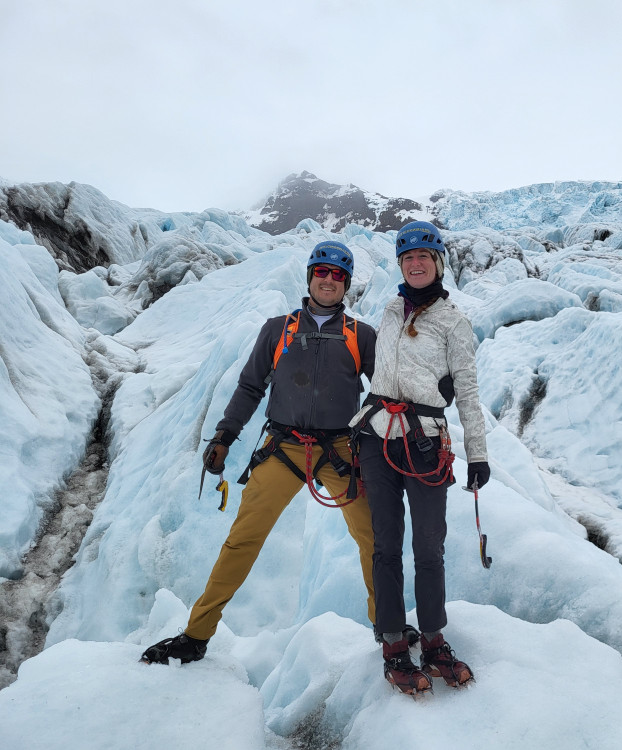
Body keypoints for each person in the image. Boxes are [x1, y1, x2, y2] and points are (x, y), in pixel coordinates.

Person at [141, 240, 378, 665]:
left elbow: (383, 395)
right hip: (284, 448)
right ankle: (196, 635)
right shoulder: (277, 329)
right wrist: (224, 436)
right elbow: (251, 386)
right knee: (242, 540)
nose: (328, 280)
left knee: (374, 539)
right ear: (310, 277)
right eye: (321, 272)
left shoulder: (362, 335)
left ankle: (388, 629)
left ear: (346, 285)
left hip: (340, 449)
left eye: (338, 275)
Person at [350, 220, 490, 695]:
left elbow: (467, 390)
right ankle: (393, 642)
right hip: (377, 438)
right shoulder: (391, 309)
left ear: (438, 263)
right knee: (385, 545)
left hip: (425, 441)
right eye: (407, 257)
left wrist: (477, 454)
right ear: (400, 263)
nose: (415, 264)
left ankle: (433, 640)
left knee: (429, 547)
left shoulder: (453, 321)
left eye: (423, 257)